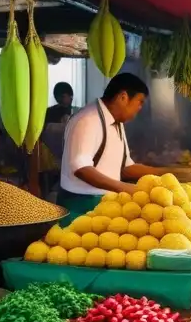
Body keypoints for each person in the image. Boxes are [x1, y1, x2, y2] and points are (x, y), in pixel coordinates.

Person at [58, 72, 162, 223]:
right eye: (139, 102)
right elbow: (81, 168)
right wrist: (125, 188)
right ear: (123, 97)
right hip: (79, 206)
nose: (140, 108)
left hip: (105, 205)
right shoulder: (87, 119)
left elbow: (126, 167)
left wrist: (163, 175)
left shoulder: (117, 124)